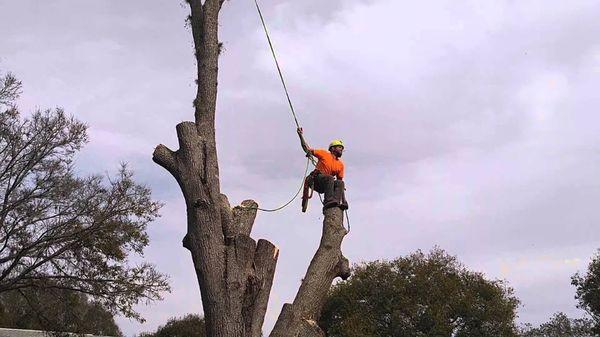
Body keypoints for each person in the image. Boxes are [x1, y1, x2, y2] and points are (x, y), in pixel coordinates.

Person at [297, 127, 348, 211]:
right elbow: (307, 149)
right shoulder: (324, 154)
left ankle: (337, 203)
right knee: (330, 178)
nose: (341, 149)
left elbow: (339, 182)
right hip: (315, 180)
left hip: (326, 185)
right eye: (339, 147)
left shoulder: (340, 164)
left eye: (342, 148)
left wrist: (343, 197)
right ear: (332, 148)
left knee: (340, 183)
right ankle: (328, 201)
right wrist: (300, 135)